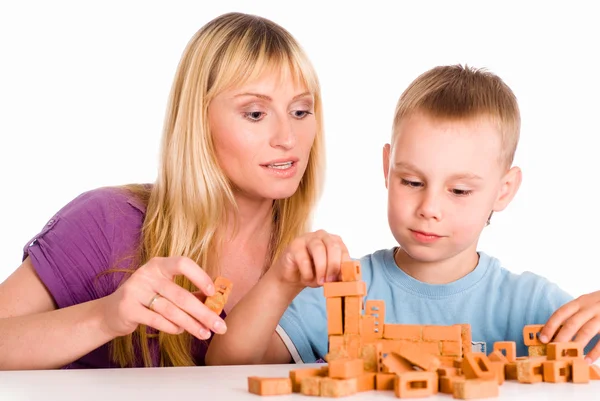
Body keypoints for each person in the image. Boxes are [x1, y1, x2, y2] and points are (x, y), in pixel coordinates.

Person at [0, 11, 346, 370]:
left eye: (301, 111)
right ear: (198, 121)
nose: (288, 139)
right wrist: (104, 317)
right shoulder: (106, 223)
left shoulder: (313, 272)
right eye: (255, 114)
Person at [206, 64, 600, 366]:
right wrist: (280, 280)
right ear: (387, 168)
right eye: (412, 182)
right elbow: (226, 365)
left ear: (504, 191)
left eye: (459, 191)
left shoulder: (529, 302)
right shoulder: (339, 293)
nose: (429, 208)